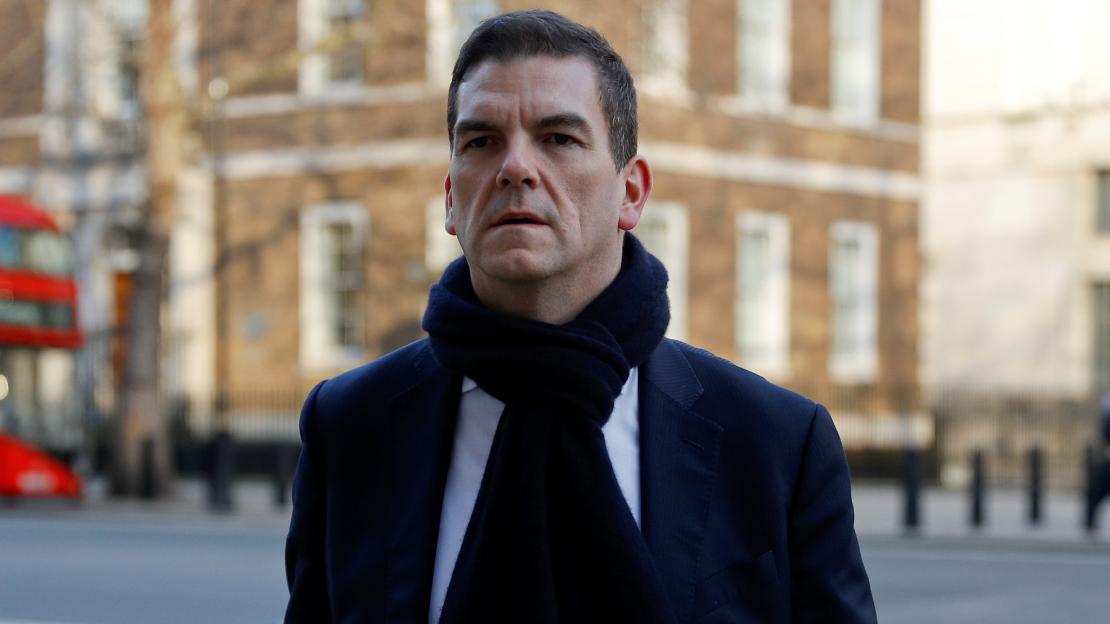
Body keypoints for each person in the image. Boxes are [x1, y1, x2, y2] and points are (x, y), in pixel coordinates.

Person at [284, 10, 876, 623]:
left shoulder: (778, 443)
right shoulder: (348, 428)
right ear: (452, 200)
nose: (515, 167)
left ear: (632, 193)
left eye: (558, 138)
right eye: (481, 141)